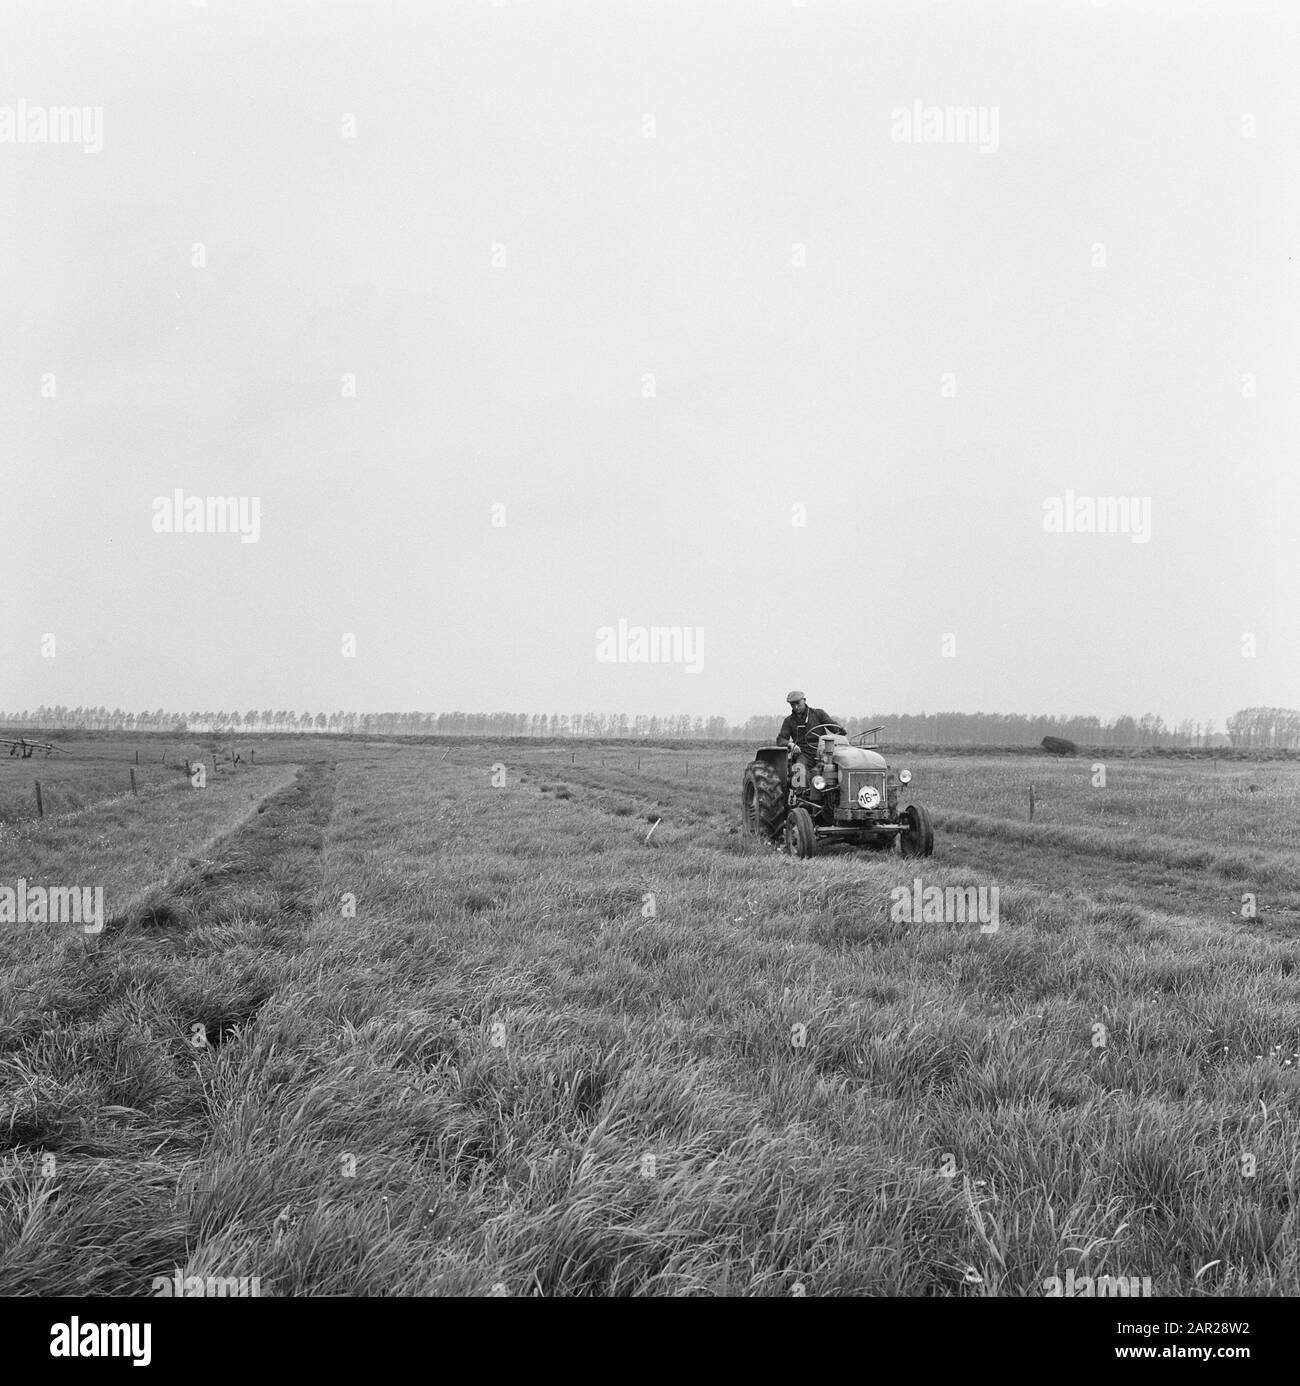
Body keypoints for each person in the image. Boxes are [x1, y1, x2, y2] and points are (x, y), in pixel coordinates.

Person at [776, 691, 840, 780]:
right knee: (799, 768)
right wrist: (791, 744)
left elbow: (834, 727)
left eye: (798, 703)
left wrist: (840, 730)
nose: (796, 707)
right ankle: (800, 792)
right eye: (792, 705)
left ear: (804, 700)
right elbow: (781, 739)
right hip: (803, 752)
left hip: (823, 751)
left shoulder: (818, 714)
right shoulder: (789, 721)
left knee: (836, 767)